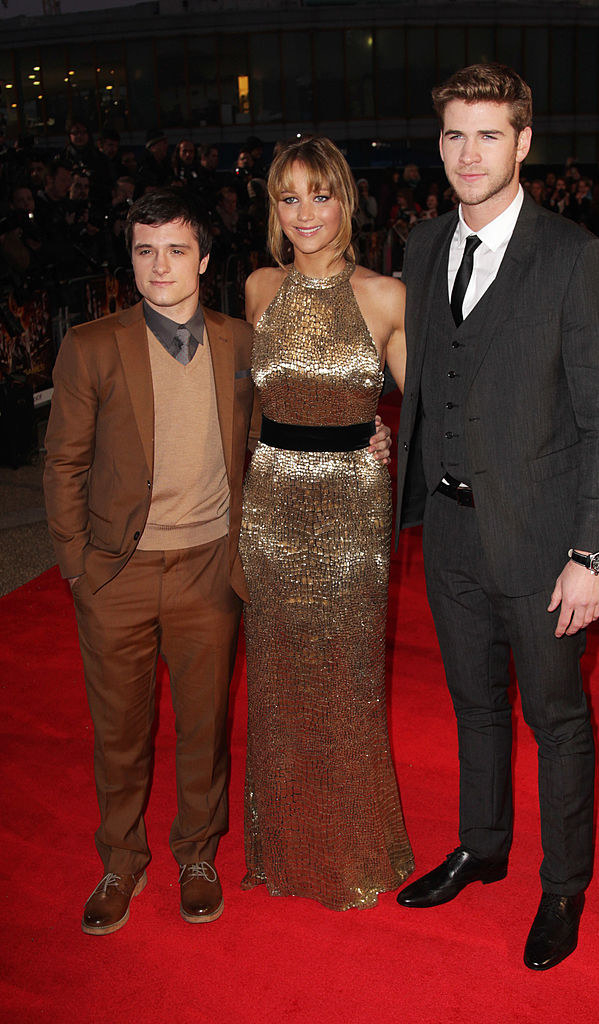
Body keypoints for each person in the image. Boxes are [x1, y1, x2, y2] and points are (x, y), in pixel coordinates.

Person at [394, 64, 599, 970]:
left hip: (542, 540)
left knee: (557, 718)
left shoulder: (576, 258)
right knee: (471, 705)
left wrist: (591, 553)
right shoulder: (421, 246)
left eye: (488, 134)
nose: (467, 152)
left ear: (523, 143)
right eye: (454, 133)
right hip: (449, 531)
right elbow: (426, 378)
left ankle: (563, 885)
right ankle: (481, 846)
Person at [43, 189, 255, 934]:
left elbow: (269, 442)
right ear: (129, 259)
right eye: (143, 250)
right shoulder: (92, 344)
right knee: (120, 732)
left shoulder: (240, 340)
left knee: (204, 726)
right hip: (116, 574)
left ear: (202, 257)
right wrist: (78, 569)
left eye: (174, 249)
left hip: (209, 568)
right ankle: (121, 861)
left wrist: (368, 440)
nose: (159, 265)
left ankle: (197, 854)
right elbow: (63, 463)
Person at [239, 135, 414, 911]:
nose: (305, 212)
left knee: (345, 684)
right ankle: (280, 845)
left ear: (346, 200)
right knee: (277, 685)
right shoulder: (256, 289)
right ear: (273, 208)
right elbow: (251, 407)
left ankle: (351, 848)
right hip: (271, 506)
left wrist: (387, 437)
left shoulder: (383, 295)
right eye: (288, 196)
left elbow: (436, 410)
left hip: (350, 513)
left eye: (320, 193)